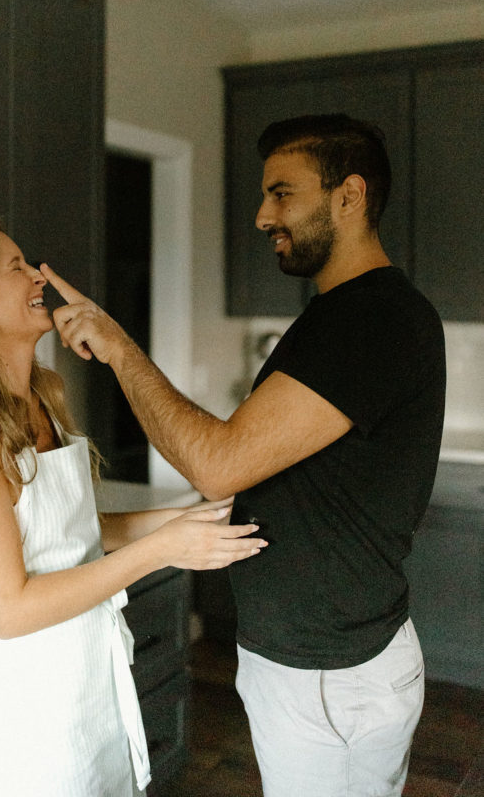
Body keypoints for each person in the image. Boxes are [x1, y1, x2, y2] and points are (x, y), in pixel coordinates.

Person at [42, 114, 446, 797]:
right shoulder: (342, 314)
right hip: (323, 663)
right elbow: (293, 476)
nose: (262, 216)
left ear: (348, 196)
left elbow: (220, 462)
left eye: (281, 193)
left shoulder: (369, 318)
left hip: (329, 675)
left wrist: (117, 346)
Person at [0, 221, 265, 797]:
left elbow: (69, 534)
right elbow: (11, 609)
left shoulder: (45, 395)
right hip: (30, 722)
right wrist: (161, 550)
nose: (38, 274)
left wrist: (192, 517)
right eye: (15, 266)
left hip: (90, 686)